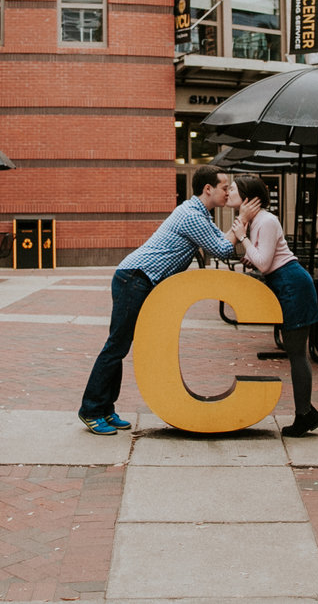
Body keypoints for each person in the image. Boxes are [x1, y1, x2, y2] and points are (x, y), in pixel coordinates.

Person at [78, 164, 256, 434]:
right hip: (134, 279)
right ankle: (91, 410)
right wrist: (242, 219)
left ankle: (105, 409)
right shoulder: (191, 216)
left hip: (137, 279)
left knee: (120, 345)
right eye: (223, 187)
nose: (227, 191)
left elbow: (222, 244)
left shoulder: (200, 214)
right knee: (116, 346)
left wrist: (241, 241)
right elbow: (221, 248)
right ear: (208, 189)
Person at [229, 174, 318, 437]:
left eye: (233, 188)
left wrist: (242, 237)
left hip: (292, 284)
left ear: (248, 195)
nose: (228, 192)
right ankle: (306, 412)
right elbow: (263, 260)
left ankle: (305, 415)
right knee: (294, 350)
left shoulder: (267, 221)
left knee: (296, 352)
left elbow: (263, 263)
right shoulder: (259, 221)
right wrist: (250, 248)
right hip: (284, 283)